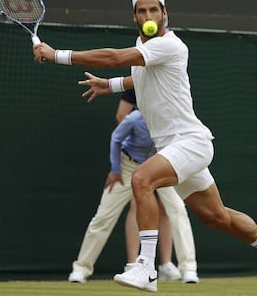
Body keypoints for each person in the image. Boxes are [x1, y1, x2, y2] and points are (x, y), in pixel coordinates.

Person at [33, 0, 257, 295]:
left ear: (164, 14)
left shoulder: (169, 45)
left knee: (141, 179)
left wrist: (57, 55)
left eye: (153, 10)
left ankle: (147, 268)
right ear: (135, 16)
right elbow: (140, 78)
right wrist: (109, 86)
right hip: (176, 148)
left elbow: (114, 58)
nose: (148, 16)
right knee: (216, 217)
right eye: (141, 11)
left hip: (190, 142)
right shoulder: (144, 47)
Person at [68, 107, 198, 283]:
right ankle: (81, 269)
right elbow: (116, 138)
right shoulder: (135, 118)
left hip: (159, 167)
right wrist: (115, 170)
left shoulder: (172, 119)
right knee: (104, 216)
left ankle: (189, 268)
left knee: (178, 209)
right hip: (128, 167)